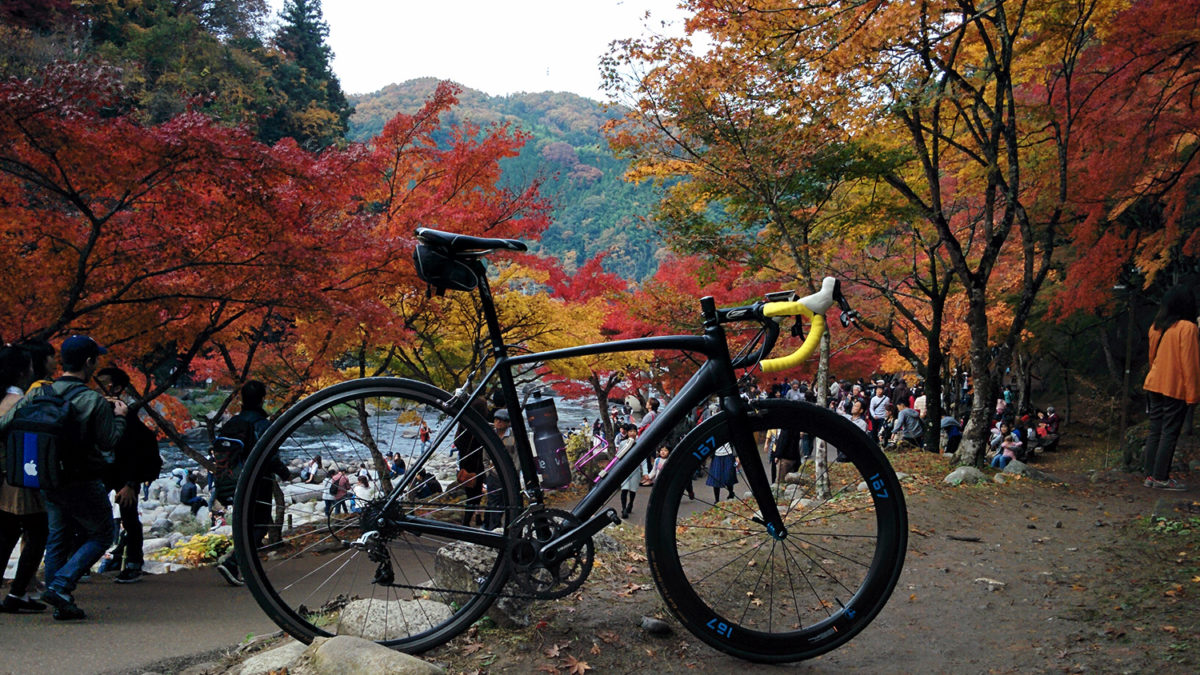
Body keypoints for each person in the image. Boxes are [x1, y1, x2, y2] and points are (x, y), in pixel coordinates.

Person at [0, 335, 128, 620]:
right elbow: (109, 442)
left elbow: (6, 425)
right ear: (89, 362)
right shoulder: (91, 399)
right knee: (103, 532)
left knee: (57, 535)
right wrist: (119, 415)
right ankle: (60, 586)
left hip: (45, 476)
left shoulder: (39, 393)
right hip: (81, 477)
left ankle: (61, 599)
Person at [212, 380, 288, 587]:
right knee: (260, 524)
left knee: (245, 524)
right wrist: (284, 471)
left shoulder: (233, 423)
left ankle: (242, 566)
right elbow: (270, 454)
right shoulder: (262, 424)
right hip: (258, 481)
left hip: (235, 482)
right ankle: (234, 562)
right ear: (263, 398)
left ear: (241, 398)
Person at [94, 366, 161, 584]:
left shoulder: (126, 416)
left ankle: (133, 564)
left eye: (104, 383)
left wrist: (132, 483)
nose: (98, 386)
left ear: (118, 388)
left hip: (124, 475)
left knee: (129, 518)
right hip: (102, 472)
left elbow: (139, 449)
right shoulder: (94, 409)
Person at [0, 346, 48, 613]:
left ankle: (17, 594)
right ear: (21, 371)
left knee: (7, 534)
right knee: (38, 533)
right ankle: (17, 595)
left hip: (7, 479)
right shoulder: (18, 403)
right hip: (20, 478)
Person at [1142, 286, 1200, 491]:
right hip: (1173, 386)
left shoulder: (1156, 327)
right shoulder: (1187, 328)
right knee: (1169, 432)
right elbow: (1190, 364)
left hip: (1154, 382)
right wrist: (1193, 395)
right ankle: (1160, 477)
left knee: (1155, 430)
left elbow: (1152, 358)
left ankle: (1150, 475)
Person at [616, 424, 643, 518]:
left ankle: (630, 504)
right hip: (625, 470)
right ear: (627, 433)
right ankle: (623, 509)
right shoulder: (623, 443)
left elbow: (643, 459)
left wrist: (646, 473)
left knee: (632, 490)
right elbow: (619, 456)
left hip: (635, 471)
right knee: (624, 489)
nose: (632, 433)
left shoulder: (640, 443)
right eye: (630, 431)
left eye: (634, 431)